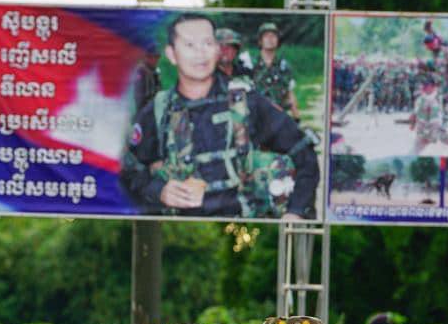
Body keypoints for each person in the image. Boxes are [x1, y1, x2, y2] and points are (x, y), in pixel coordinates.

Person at [120, 12, 319, 219]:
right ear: (171, 54)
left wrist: (295, 211)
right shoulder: (158, 110)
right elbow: (129, 170)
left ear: (216, 50)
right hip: (187, 235)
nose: (200, 53)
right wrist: (158, 190)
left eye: (207, 43)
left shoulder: (247, 102)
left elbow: (304, 152)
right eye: (190, 45)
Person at [251, 22, 300, 120]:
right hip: (257, 117)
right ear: (260, 41)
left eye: (273, 36)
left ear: (278, 40)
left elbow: (290, 93)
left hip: (279, 117)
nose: (270, 39)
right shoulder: (250, 64)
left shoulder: (284, 66)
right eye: (266, 36)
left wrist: (296, 118)